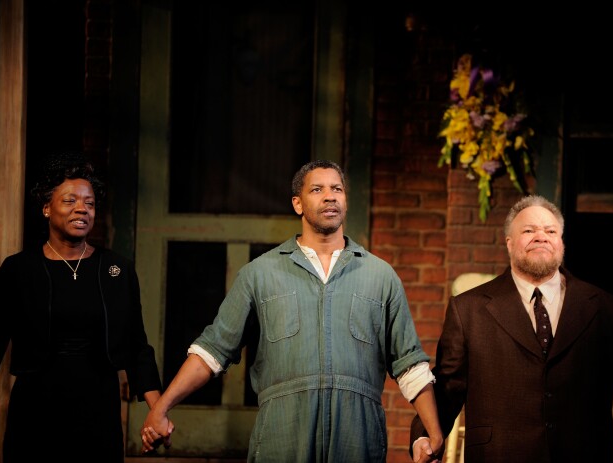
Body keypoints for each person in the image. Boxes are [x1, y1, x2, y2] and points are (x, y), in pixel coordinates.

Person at [140, 159, 443, 461]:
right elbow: (211, 352)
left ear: (346, 201)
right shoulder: (260, 274)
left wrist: (434, 433)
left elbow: (410, 365)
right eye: (317, 189)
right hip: (282, 438)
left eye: (337, 189)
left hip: (357, 440)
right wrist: (162, 408)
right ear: (298, 204)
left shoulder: (380, 276)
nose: (330, 196)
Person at [410, 194, 613, 463]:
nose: (541, 236)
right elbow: (448, 385)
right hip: (498, 455)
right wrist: (425, 435)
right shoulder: (468, 309)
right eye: (529, 230)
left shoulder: (604, 307)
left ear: (561, 243)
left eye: (550, 231)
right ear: (509, 243)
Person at [0, 152, 167, 463]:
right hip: (34, 408)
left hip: (97, 408)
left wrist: (158, 410)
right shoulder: (18, 270)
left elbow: (136, 345)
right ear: (47, 208)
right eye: (70, 201)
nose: (82, 209)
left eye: (89, 203)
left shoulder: (116, 269)